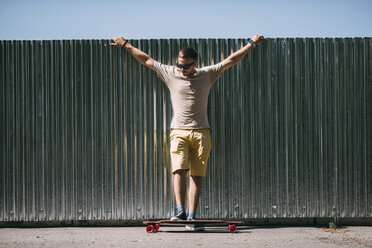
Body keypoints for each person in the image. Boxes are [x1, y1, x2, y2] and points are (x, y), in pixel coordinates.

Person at [110, 35, 264, 223]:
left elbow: (231, 60)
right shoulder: (171, 73)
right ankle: (180, 210)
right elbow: (147, 60)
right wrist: (126, 45)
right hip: (178, 132)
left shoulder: (207, 74)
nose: (181, 69)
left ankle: (192, 216)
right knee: (178, 171)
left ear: (195, 64)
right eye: (179, 65)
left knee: (197, 176)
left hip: (202, 132)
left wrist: (251, 44)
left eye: (186, 66)